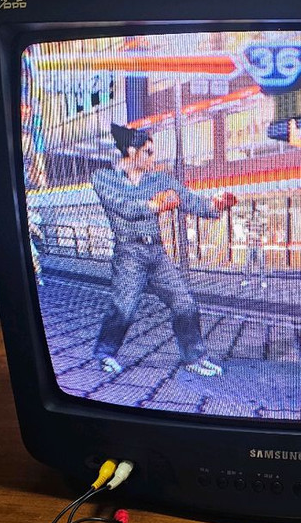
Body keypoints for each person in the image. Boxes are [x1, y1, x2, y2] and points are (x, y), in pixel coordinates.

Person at [92, 123, 238, 377]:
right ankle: (105, 354)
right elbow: (122, 206)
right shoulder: (104, 178)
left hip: (156, 253)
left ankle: (194, 357)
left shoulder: (159, 179)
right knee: (123, 308)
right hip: (129, 254)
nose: (153, 158)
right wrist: (154, 205)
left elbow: (188, 199)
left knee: (185, 303)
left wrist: (215, 207)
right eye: (148, 152)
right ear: (131, 151)